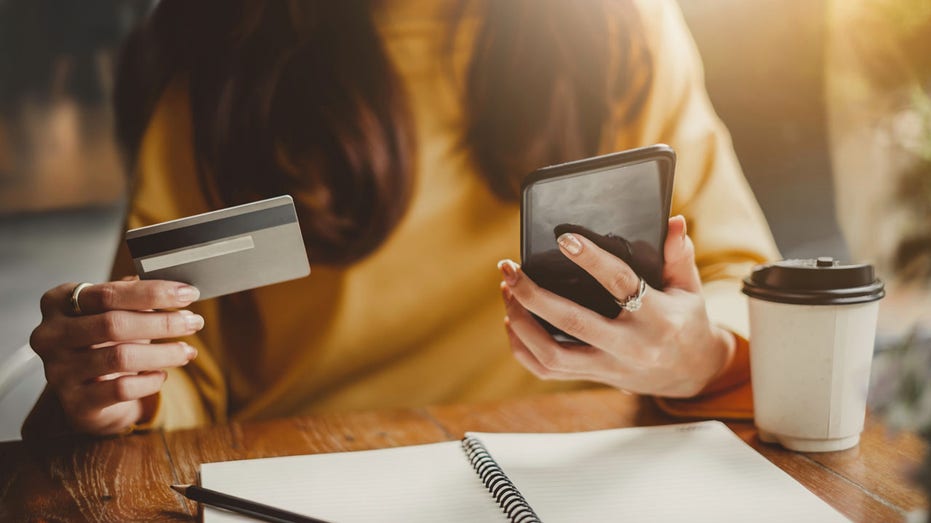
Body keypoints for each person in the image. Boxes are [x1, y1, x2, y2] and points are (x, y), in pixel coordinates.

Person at [24, 0, 779, 438]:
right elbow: (186, 372)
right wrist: (127, 386)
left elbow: (742, 281)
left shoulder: (624, 29)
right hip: (297, 474)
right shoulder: (219, 58)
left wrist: (700, 355)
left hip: (591, 466)